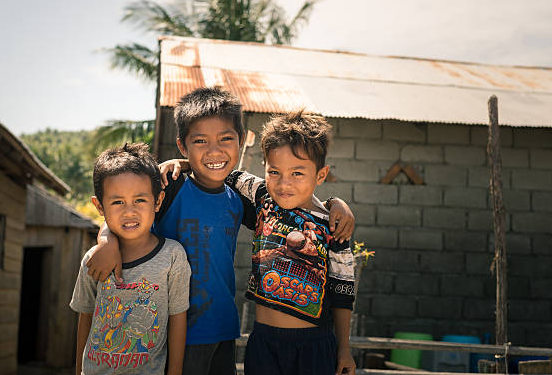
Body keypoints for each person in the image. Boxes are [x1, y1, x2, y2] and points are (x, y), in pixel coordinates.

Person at [86, 87, 355, 375]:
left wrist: (336, 204)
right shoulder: (171, 187)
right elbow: (125, 213)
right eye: (200, 141)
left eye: (226, 139)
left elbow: (295, 206)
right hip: (174, 330)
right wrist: (107, 240)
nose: (214, 151)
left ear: (240, 142)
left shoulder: (244, 198)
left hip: (225, 329)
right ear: (183, 145)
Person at [226, 110, 357, 375]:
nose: (284, 183)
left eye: (297, 173)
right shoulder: (263, 197)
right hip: (263, 343)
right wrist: (181, 164)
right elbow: (223, 174)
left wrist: (344, 349)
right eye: (274, 171)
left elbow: (343, 291)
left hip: (314, 347)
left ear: (320, 175)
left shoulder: (333, 226)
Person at [70, 143, 191, 375]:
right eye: (117, 202)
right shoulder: (93, 260)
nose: (129, 211)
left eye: (140, 200)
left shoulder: (172, 257)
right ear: (99, 206)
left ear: (157, 201)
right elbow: (86, 317)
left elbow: (178, 320)